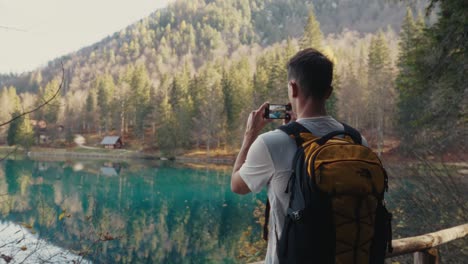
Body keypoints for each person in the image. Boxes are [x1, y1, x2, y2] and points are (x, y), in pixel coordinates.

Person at [230, 48, 367, 263]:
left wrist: (249, 136)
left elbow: (237, 185)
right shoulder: (357, 140)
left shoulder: (271, 143)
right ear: (328, 92)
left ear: (293, 88)